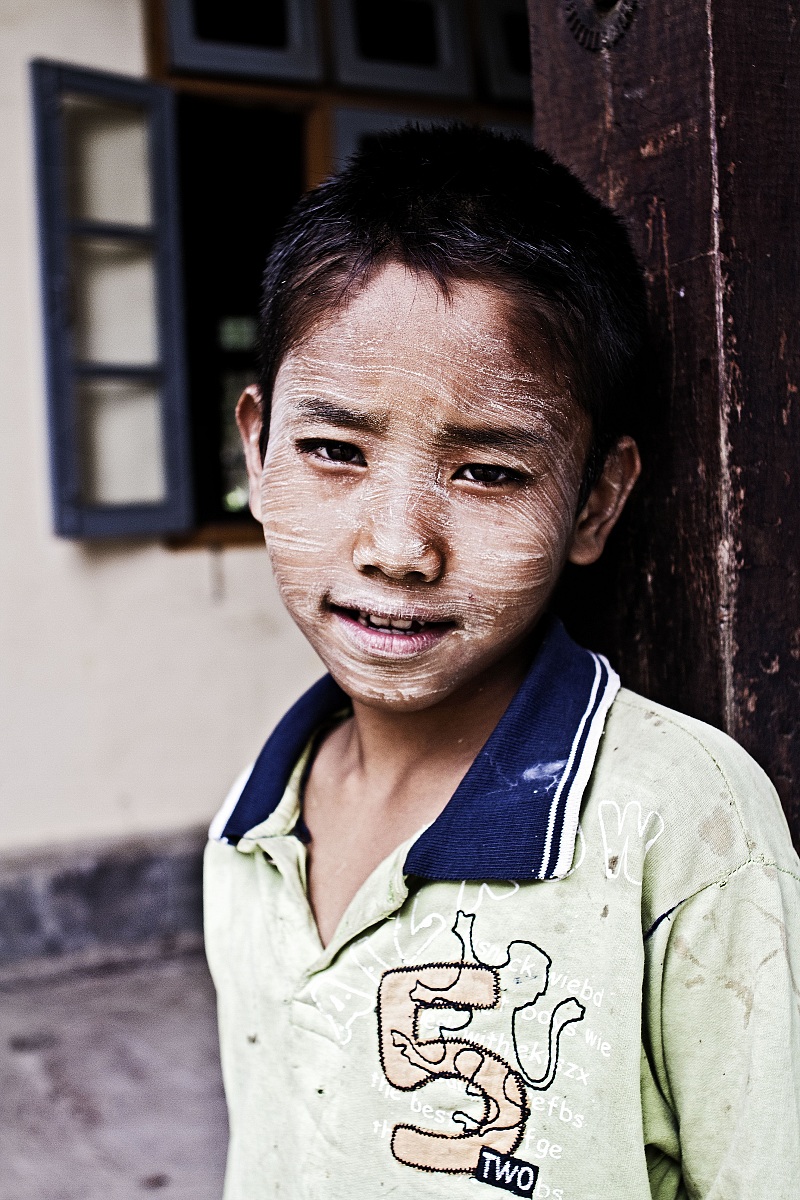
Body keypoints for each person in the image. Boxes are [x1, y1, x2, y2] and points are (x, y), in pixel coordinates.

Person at [204, 125, 800, 1200]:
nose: (397, 547)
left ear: (595, 500)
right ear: (256, 448)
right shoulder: (251, 831)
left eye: (484, 471)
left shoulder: (676, 821)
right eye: (333, 450)